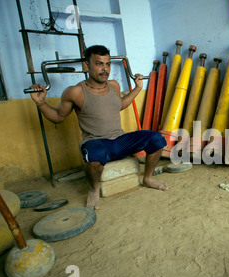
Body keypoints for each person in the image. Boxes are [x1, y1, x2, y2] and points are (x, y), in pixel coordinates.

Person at [29, 45, 168, 210]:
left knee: (157, 139)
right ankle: (94, 189)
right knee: (94, 153)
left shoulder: (114, 85)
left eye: (107, 64)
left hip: (120, 140)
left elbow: (119, 105)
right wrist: (41, 103)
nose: (105, 69)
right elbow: (59, 117)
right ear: (87, 66)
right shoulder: (75, 92)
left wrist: (137, 89)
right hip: (97, 142)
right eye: (99, 64)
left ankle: (148, 178)